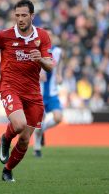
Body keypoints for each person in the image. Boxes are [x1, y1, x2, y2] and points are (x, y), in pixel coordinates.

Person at [0, 0, 54, 182]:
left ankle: (7, 170)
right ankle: (5, 138)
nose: (20, 19)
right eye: (17, 15)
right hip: (9, 87)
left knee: (25, 139)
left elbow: (50, 66)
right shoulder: (4, 35)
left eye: (24, 15)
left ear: (32, 16)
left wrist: (41, 60)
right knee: (19, 125)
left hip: (33, 93)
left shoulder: (42, 36)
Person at [33, 27, 63, 158]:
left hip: (52, 92)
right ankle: (37, 148)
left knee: (58, 118)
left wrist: (59, 74)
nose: (48, 37)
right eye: (46, 35)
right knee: (40, 120)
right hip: (38, 92)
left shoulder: (57, 51)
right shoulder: (35, 50)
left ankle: (42, 131)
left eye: (50, 34)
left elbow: (59, 64)